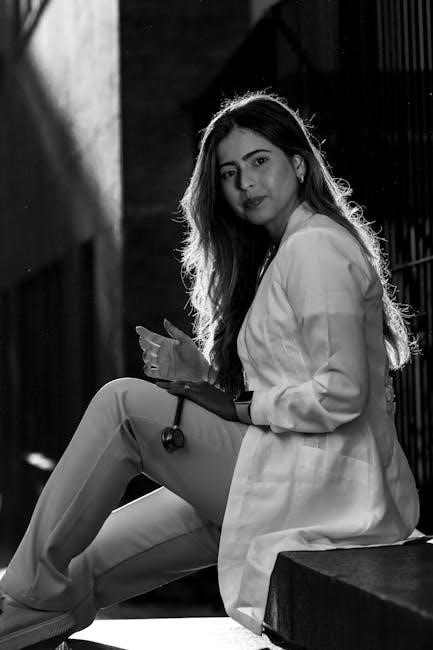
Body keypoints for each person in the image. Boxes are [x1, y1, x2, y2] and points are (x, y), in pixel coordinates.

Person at [0, 91, 420, 648]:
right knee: (81, 563)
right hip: (285, 471)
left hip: (319, 485)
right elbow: (295, 384)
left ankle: (25, 598)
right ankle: (27, 619)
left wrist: (234, 405)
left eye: (260, 161)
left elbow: (340, 393)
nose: (246, 182)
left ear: (298, 164)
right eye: (229, 173)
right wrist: (203, 380)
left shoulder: (316, 246)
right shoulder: (289, 250)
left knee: (122, 405)